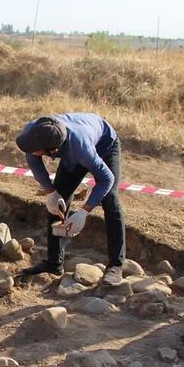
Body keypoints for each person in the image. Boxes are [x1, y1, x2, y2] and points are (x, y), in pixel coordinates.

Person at [16, 113, 126, 286]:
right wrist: (51, 192)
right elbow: (34, 162)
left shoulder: (80, 148)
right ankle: (54, 263)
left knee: (110, 199)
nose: (29, 150)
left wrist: (84, 212)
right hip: (72, 148)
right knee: (59, 198)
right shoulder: (34, 131)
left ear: (52, 151)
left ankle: (116, 265)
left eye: (34, 148)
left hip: (105, 144)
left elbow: (107, 179)